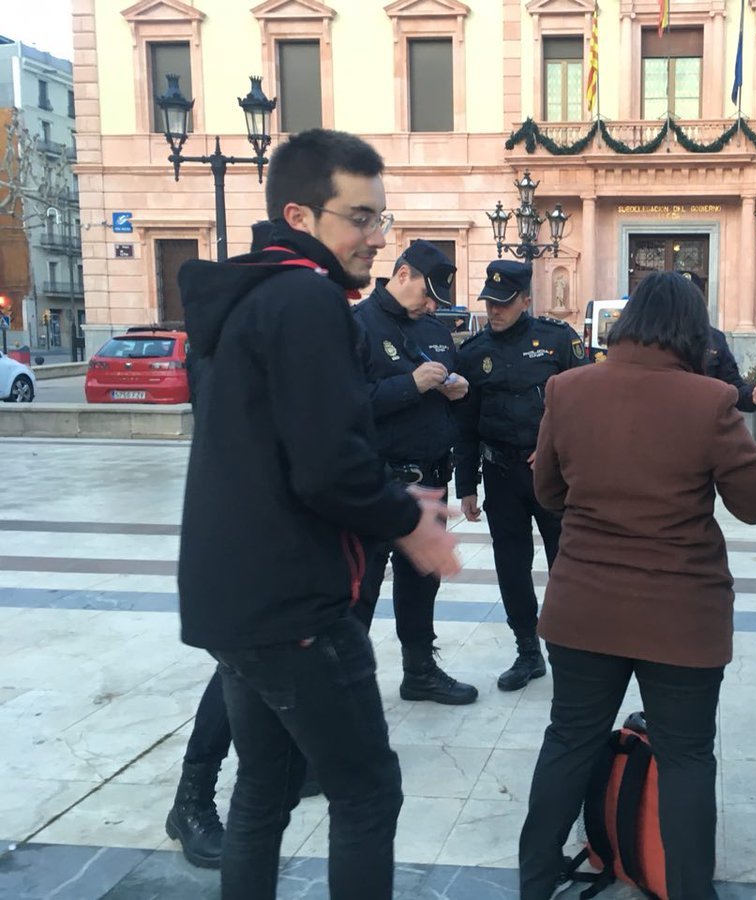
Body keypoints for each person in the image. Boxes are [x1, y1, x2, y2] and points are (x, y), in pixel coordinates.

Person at [176, 128, 461, 900]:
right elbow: (328, 464)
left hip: (232, 598)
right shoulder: (306, 300)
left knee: (263, 791)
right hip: (294, 601)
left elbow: (280, 451)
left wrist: (394, 501)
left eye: (380, 219)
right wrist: (409, 522)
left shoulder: (244, 298)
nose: (377, 238)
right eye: (361, 219)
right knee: (368, 791)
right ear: (300, 215)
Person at [518, 271, 756, 899]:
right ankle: (690, 889)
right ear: (693, 331)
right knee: (687, 755)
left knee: (568, 738)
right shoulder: (710, 400)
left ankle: (532, 881)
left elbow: (548, 492)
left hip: (583, 605)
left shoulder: (567, 388)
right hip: (681, 617)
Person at [166, 219, 278, 870]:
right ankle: (193, 799)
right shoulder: (244, 331)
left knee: (259, 663)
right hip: (244, 530)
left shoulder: (231, 324)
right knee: (241, 665)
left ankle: (270, 773)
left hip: (249, 524)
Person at [454, 260, 589, 691]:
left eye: (504, 303)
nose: (495, 310)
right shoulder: (473, 353)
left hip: (550, 475)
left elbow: (583, 407)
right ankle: (527, 651)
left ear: (526, 300)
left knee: (564, 563)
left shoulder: (557, 341)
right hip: (499, 473)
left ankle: (571, 651)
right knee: (511, 565)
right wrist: (466, 485)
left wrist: (557, 452)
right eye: (490, 303)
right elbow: (465, 423)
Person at [352, 240, 477, 705]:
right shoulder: (358, 325)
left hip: (428, 479)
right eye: (428, 294)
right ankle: (352, 687)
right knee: (360, 588)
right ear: (401, 274)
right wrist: (409, 384)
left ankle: (420, 671)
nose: (430, 306)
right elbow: (347, 404)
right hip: (378, 482)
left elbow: (448, 393)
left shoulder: (436, 331)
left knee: (422, 580)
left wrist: (455, 390)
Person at [680, 270, 756, 411]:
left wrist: (753, 396)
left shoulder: (715, 339)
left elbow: (733, 387)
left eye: (691, 299)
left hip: (706, 423)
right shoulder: (653, 339)